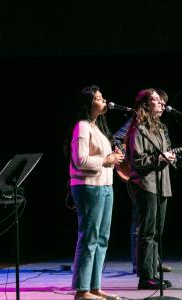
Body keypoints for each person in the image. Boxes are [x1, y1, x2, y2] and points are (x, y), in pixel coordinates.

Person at [126, 88, 182, 289]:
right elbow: (137, 160)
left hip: (162, 184)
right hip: (146, 184)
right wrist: (159, 158)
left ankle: (153, 272)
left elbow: (168, 159)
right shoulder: (138, 129)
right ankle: (145, 277)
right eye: (156, 100)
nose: (162, 104)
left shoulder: (162, 128)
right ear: (146, 105)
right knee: (147, 232)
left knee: (157, 233)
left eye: (161, 101)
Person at [66, 85, 125, 300]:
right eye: (99, 98)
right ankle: (82, 291)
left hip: (105, 186)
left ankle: (95, 286)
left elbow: (102, 158)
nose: (104, 100)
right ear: (89, 104)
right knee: (89, 237)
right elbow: (80, 161)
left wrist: (113, 157)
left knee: (102, 238)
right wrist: (107, 159)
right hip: (88, 187)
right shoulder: (82, 126)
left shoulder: (97, 126)